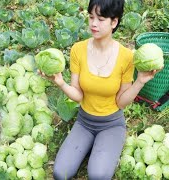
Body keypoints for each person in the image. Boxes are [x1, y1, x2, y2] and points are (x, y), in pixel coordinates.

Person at [39, 0, 160, 179]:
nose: (93, 24)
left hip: (111, 124)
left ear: (114, 22)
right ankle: (92, 147)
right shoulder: (78, 50)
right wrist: (59, 82)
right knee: (60, 173)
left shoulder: (126, 57)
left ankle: (102, 148)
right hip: (84, 122)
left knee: (98, 176)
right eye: (91, 17)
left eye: (101, 19)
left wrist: (140, 81)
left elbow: (121, 102)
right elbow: (78, 95)